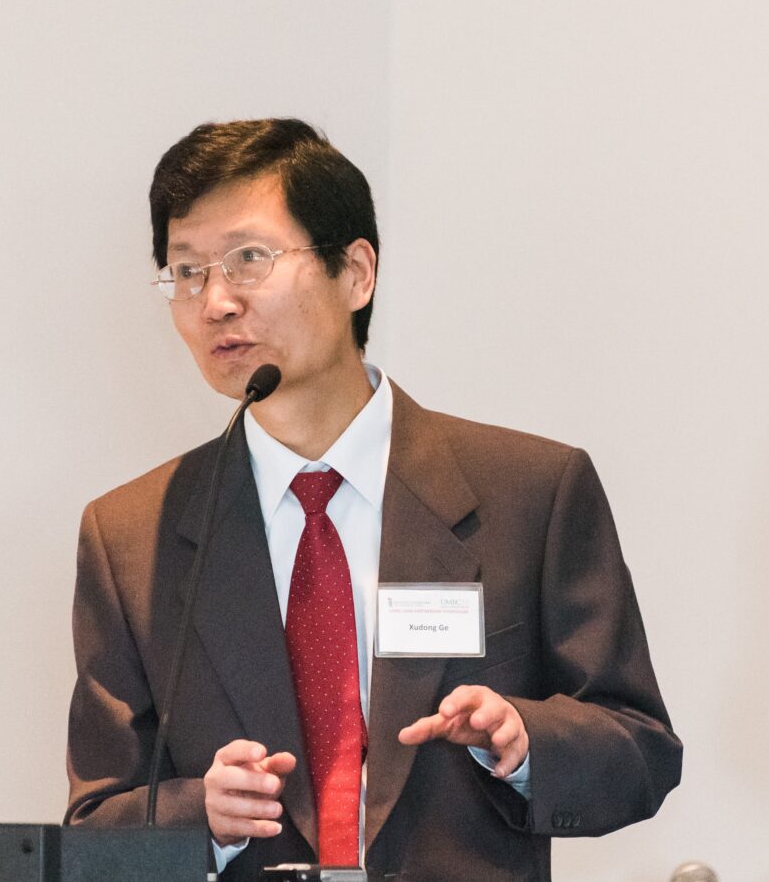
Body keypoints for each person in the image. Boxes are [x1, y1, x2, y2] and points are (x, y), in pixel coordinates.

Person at [65, 118, 682, 881]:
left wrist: (525, 738)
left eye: (247, 259)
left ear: (356, 272)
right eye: (187, 271)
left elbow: (642, 749)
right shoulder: (131, 536)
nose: (214, 301)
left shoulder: (533, 492)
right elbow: (95, 822)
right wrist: (203, 816)